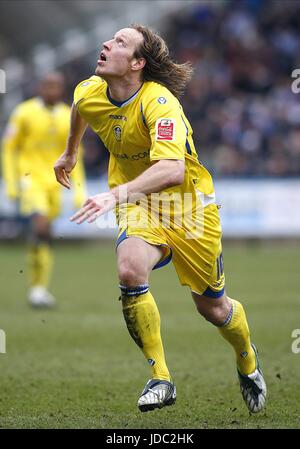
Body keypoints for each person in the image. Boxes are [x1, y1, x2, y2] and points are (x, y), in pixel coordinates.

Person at [54, 24, 267, 413]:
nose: (105, 43)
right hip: (139, 202)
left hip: (189, 210)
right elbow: (80, 107)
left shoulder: (160, 102)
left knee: (214, 309)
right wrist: (70, 152)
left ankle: (247, 359)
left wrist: (112, 194)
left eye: (119, 42)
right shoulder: (89, 89)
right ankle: (161, 378)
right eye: (110, 38)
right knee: (130, 269)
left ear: (137, 63)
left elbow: (172, 170)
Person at [2, 72, 86, 308]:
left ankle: (38, 287)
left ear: (61, 89)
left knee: (45, 234)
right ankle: (37, 290)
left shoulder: (67, 115)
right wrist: (11, 182)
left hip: (55, 184)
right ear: (40, 87)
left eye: (56, 86)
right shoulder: (24, 112)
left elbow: (73, 155)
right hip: (30, 180)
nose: (51, 90)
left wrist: (79, 189)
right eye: (47, 85)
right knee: (40, 226)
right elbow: (8, 149)